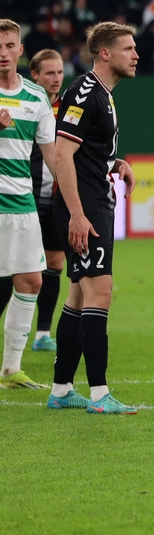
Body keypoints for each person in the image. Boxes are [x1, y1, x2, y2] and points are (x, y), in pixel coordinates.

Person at [49, 22, 139, 413]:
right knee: (100, 292)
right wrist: (77, 215)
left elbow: (86, 152)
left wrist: (117, 162)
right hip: (84, 208)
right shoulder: (85, 93)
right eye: (128, 48)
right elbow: (60, 155)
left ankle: (61, 389)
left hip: (92, 201)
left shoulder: (103, 95)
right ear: (105, 53)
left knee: (78, 296)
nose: (135, 54)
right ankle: (100, 395)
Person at [0, 22, 57, 390]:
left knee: (32, 280)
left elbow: (54, 156)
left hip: (22, 204)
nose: (2, 52)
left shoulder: (36, 99)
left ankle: (10, 370)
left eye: (8, 45)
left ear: (20, 50)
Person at [29, 50, 67, 350]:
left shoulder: (69, 109)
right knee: (17, 266)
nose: (56, 79)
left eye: (59, 72)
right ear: (35, 76)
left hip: (55, 200)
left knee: (54, 262)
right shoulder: (26, 105)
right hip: (23, 198)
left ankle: (43, 333)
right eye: (49, 73)